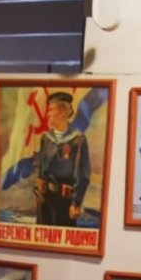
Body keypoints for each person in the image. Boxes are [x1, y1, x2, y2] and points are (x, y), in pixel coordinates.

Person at [35, 91, 90, 226]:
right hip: (44, 199)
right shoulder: (46, 139)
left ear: (62, 112)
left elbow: (82, 175)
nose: (48, 114)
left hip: (65, 202)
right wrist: (39, 193)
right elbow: (41, 168)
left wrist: (76, 203)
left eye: (51, 110)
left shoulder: (78, 140)